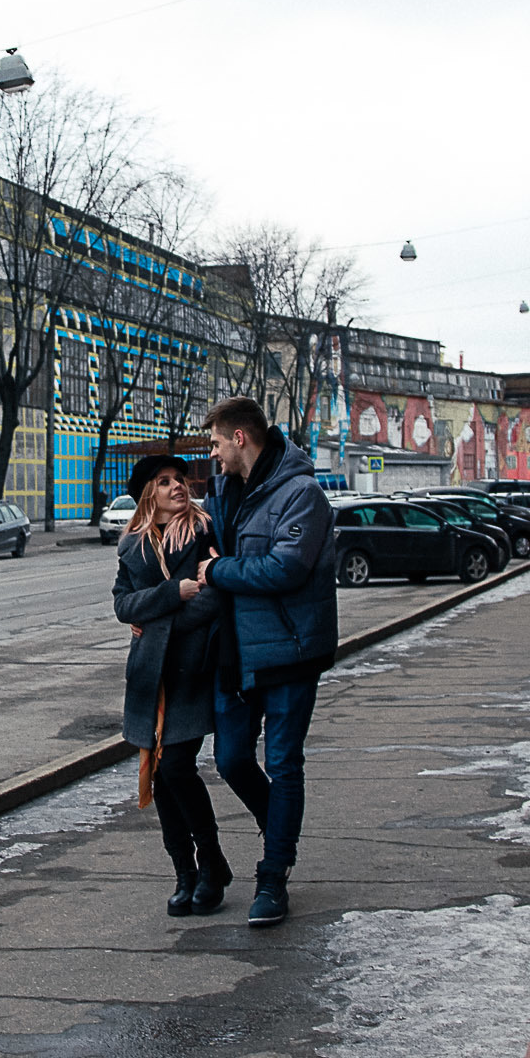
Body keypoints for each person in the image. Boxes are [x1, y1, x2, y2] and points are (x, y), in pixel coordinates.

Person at [202, 396, 339, 927]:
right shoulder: (224, 492)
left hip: (289, 649)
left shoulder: (301, 494)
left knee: (283, 763)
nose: (212, 454)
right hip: (235, 650)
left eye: (216, 442)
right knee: (232, 758)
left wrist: (221, 571)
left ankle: (273, 874)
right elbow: (199, 550)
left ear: (240, 438)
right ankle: (279, 824)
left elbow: (284, 569)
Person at [112, 453, 232, 916]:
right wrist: (170, 595)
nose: (176, 486)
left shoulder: (205, 533)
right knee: (161, 777)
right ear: (149, 495)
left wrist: (158, 619)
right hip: (149, 677)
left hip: (190, 670)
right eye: (165, 482)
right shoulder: (132, 547)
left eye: (179, 479)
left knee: (178, 765)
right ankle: (186, 873)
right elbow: (124, 606)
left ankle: (213, 862)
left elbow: (214, 598)